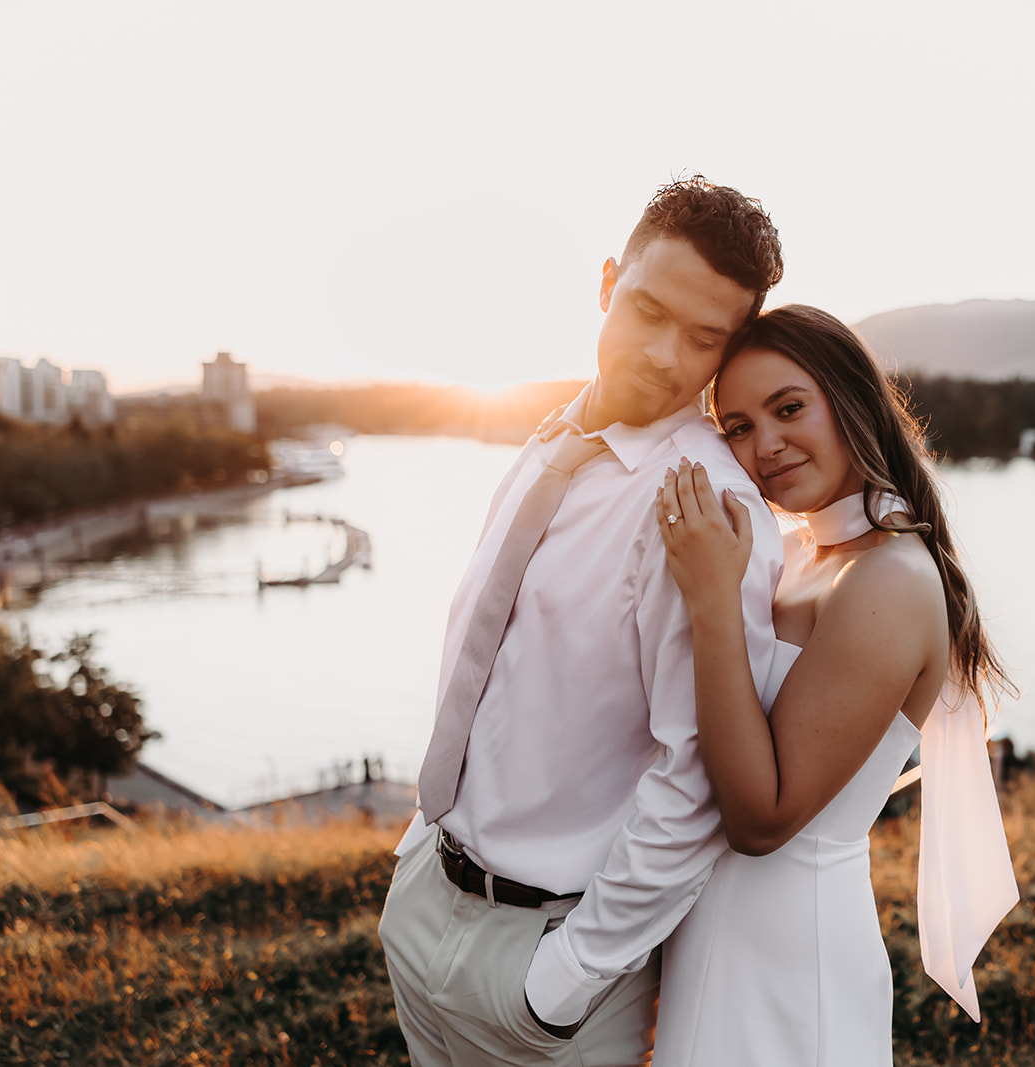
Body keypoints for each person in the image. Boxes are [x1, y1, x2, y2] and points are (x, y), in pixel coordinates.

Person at [378, 177, 786, 1067]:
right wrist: (420, 848)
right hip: (425, 900)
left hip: (546, 962)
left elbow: (700, 778)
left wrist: (567, 975)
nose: (665, 356)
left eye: (704, 337)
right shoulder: (549, 442)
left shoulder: (704, 504)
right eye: (647, 311)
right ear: (608, 283)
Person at [651, 304, 1020, 1066]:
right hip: (719, 928)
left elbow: (763, 820)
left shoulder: (887, 580)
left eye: (789, 408)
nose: (767, 446)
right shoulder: (795, 550)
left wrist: (713, 602)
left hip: (791, 944)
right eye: (740, 427)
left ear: (850, 398)